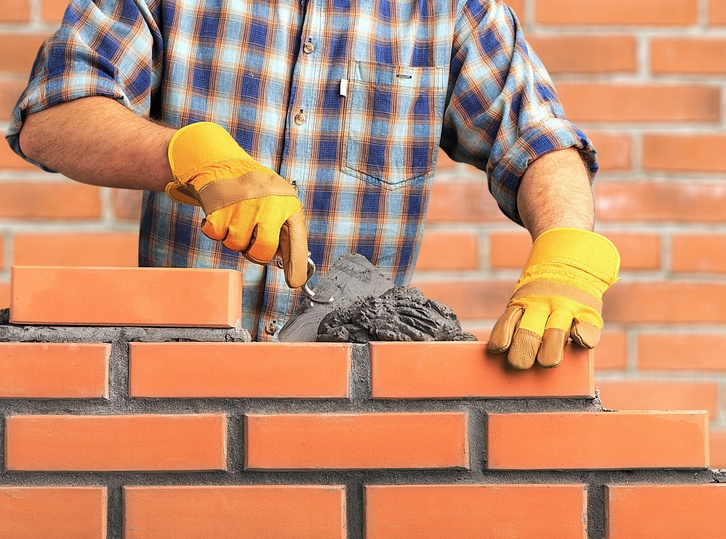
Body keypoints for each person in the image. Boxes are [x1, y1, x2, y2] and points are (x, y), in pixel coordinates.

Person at [4, 0, 619, 370]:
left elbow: (536, 137)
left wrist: (567, 251)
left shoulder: (449, 9)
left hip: (351, 399)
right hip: (175, 384)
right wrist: (189, 152)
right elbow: (53, 116)